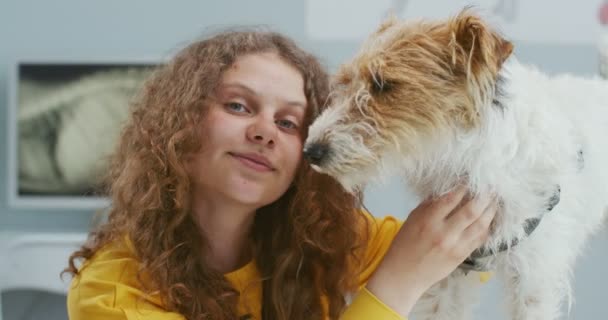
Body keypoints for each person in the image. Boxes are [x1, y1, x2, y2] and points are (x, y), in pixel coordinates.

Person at [64, 29, 498, 320]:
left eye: (289, 123)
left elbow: (468, 248)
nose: (265, 132)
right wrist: (397, 283)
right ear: (178, 125)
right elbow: (411, 268)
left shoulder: (328, 242)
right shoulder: (112, 293)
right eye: (238, 106)